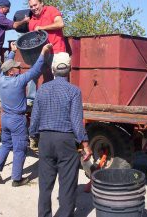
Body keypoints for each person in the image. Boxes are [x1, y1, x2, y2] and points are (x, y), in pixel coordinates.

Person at [29, 53, 92, 217]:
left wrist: (35, 137)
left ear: (53, 69)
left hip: (46, 140)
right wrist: (84, 145)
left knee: (45, 185)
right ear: (69, 69)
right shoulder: (74, 91)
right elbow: (77, 123)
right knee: (67, 185)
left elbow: (34, 118)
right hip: (67, 142)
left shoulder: (42, 89)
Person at [0, 42, 52, 187]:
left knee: (5, 144)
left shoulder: (2, 79)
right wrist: (43, 52)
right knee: (20, 148)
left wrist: (12, 52)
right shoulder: (19, 81)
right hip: (17, 119)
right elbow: (36, 70)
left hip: (5, 117)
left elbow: (5, 66)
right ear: (11, 71)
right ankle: (17, 179)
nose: (20, 68)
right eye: (17, 67)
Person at [0, 0, 30, 106]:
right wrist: (25, 21)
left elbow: (9, 26)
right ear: (4, 7)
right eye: (8, 8)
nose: (9, 11)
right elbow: (15, 25)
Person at [26, 0, 69, 101]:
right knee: (32, 73)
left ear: (41, 3)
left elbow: (60, 23)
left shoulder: (51, 10)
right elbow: (34, 40)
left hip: (57, 50)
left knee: (60, 77)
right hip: (42, 53)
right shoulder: (31, 22)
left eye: (35, 5)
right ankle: (31, 100)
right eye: (31, 6)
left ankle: (61, 101)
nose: (33, 8)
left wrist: (42, 28)